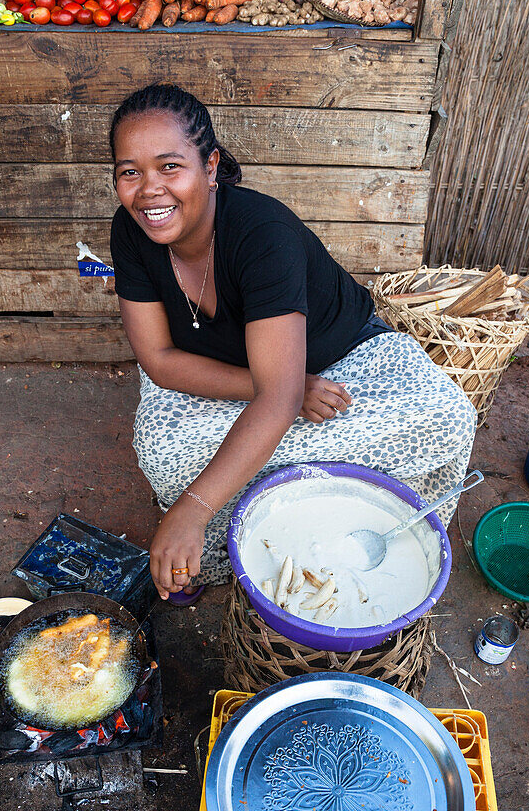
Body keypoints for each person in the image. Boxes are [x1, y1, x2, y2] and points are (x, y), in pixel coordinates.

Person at [110, 84, 476, 602]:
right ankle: (207, 556)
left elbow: (277, 399)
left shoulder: (262, 234)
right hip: (236, 369)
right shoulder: (132, 231)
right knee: (163, 450)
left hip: (344, 357)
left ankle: (375, 545)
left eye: (170, 166)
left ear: (211, 167)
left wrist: (194, 502)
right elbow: (161, 361)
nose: (149, 190)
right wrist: (283, 388)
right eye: (130, 171)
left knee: (446, 418)